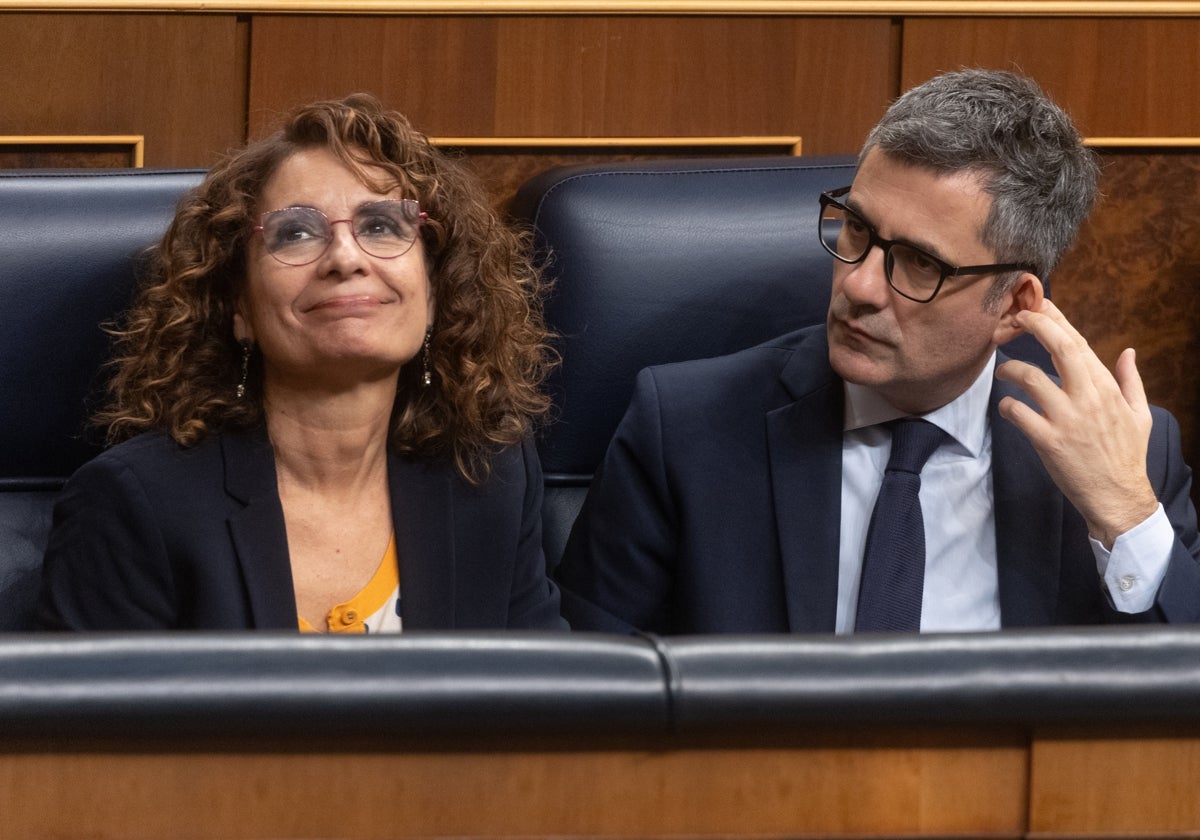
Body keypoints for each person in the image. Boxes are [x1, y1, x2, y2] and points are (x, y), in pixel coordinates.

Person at [555, 69, 1200, 634]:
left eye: (921, 264)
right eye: (857, 227)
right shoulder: (685, 431)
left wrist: (1127, 516)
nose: (857, 285)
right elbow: (587, 700)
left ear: (1013, 305)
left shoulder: (1127, 460)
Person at [39, 93, 565, 632]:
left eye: (382, 225)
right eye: (295, 233)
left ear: (434, 293)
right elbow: (90, 718)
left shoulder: (488, 475)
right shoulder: (135, 503)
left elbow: (549, 704)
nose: (345, 258)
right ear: (238, 305)